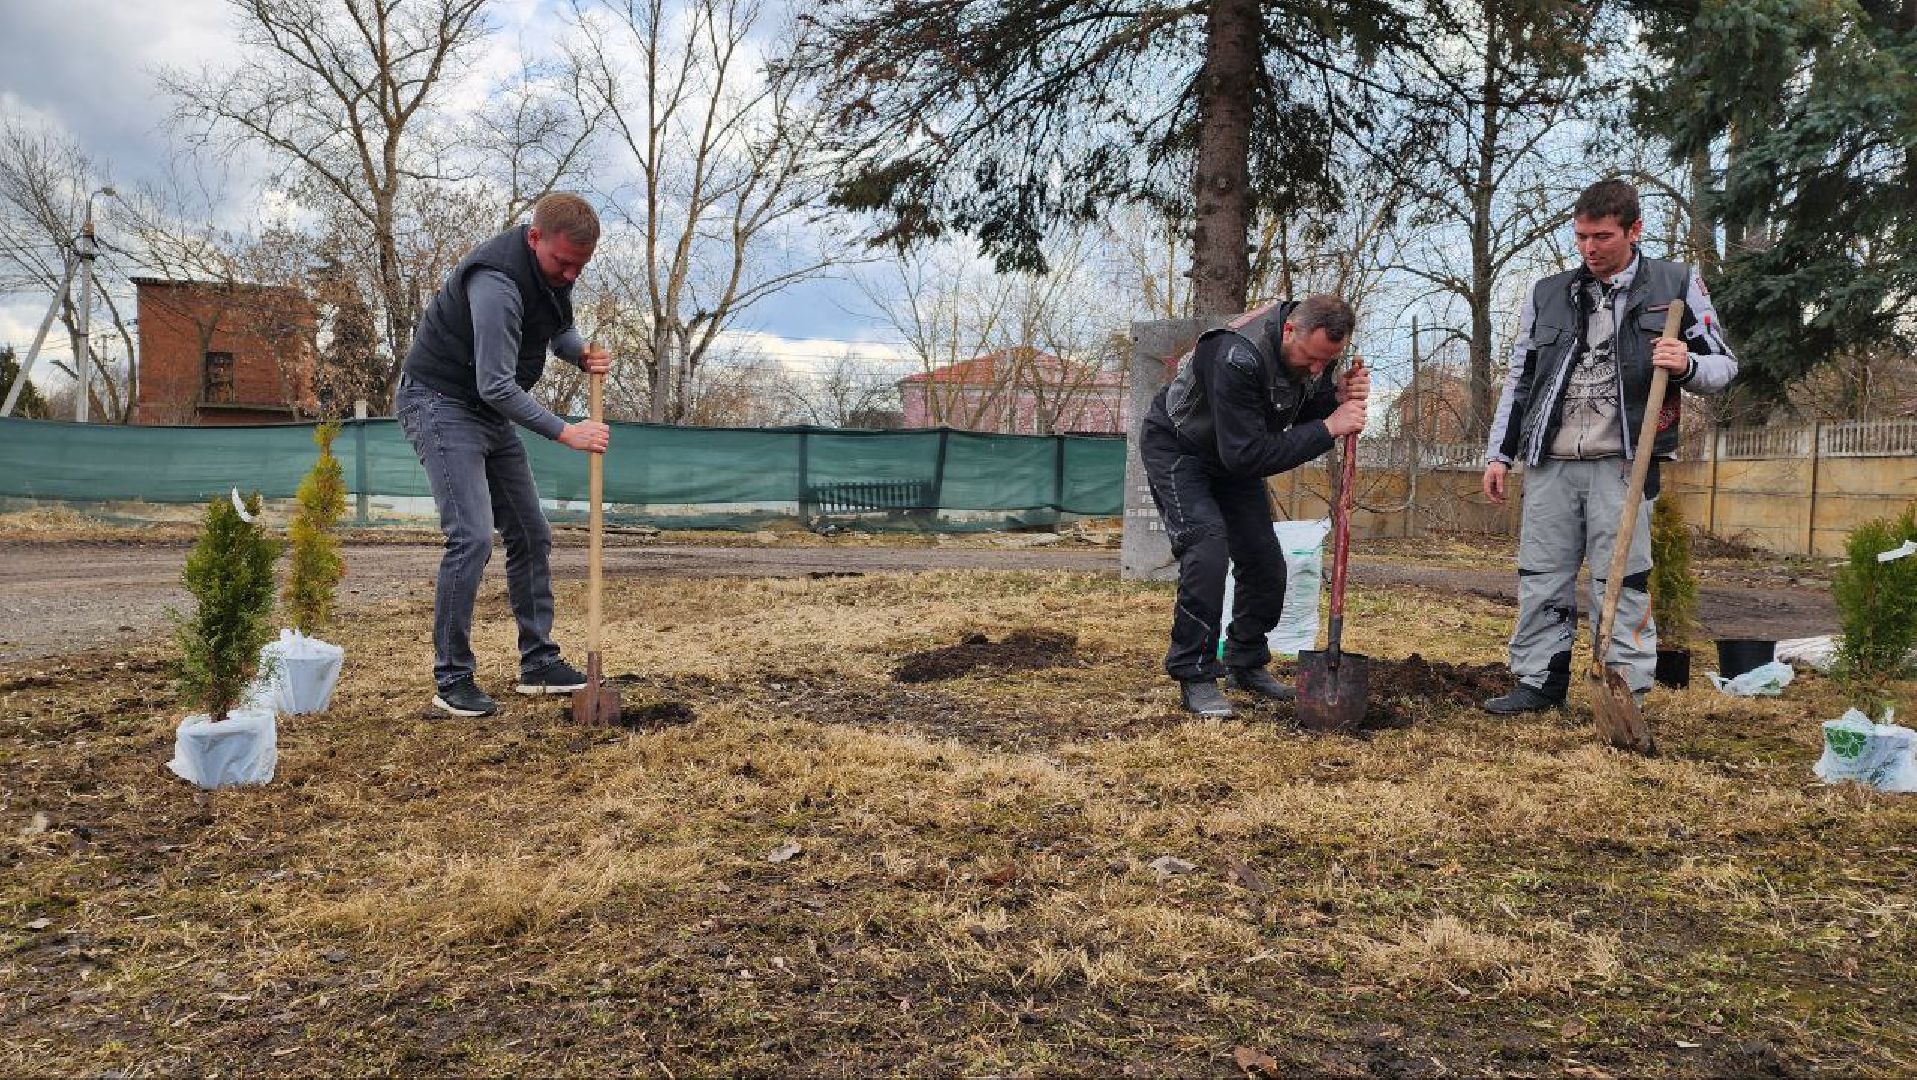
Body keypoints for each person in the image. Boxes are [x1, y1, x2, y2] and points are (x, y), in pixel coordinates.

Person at [1481, 178, 1737, 714]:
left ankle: (1625, 689)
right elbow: (1520, 377)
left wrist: (1686, 363)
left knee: (1622, 578)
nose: (1589, 248)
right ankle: (1538, 682)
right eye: (1581, 237)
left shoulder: (1675, 283)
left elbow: (1724, 364)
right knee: (1540, 574)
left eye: (1602, 237)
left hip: (1624, 462)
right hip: (1550, 459)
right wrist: (1499, 453)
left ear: (1634, 229)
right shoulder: (1548, 293)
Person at [395, 192, 614, 718]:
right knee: (471, 536)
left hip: (486, 409)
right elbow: (494, 384)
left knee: (531, 533)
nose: (569, 275)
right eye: (563, 263)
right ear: (534, 237)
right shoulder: (495, 283)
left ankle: (539, 664)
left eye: (579, 267)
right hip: (441, 402)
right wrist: (566, 432)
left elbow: (558, 328)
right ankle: (452, 679)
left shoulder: (554, 272)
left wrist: (580, 353)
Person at [1139, 294, 1370, 718]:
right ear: (1290, 331)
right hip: (1181, 448)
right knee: (1207, 548)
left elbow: (1299, 412)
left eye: (1327, 362)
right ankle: (1195, 673)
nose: (1317, 369)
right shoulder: (1236, 355)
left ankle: (1245, 662)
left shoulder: (1314, 351)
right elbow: (1247, 455)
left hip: (1233, 452)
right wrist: (1329, 427)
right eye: (1312, 358)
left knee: (1264, 561)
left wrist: (1335, 397)